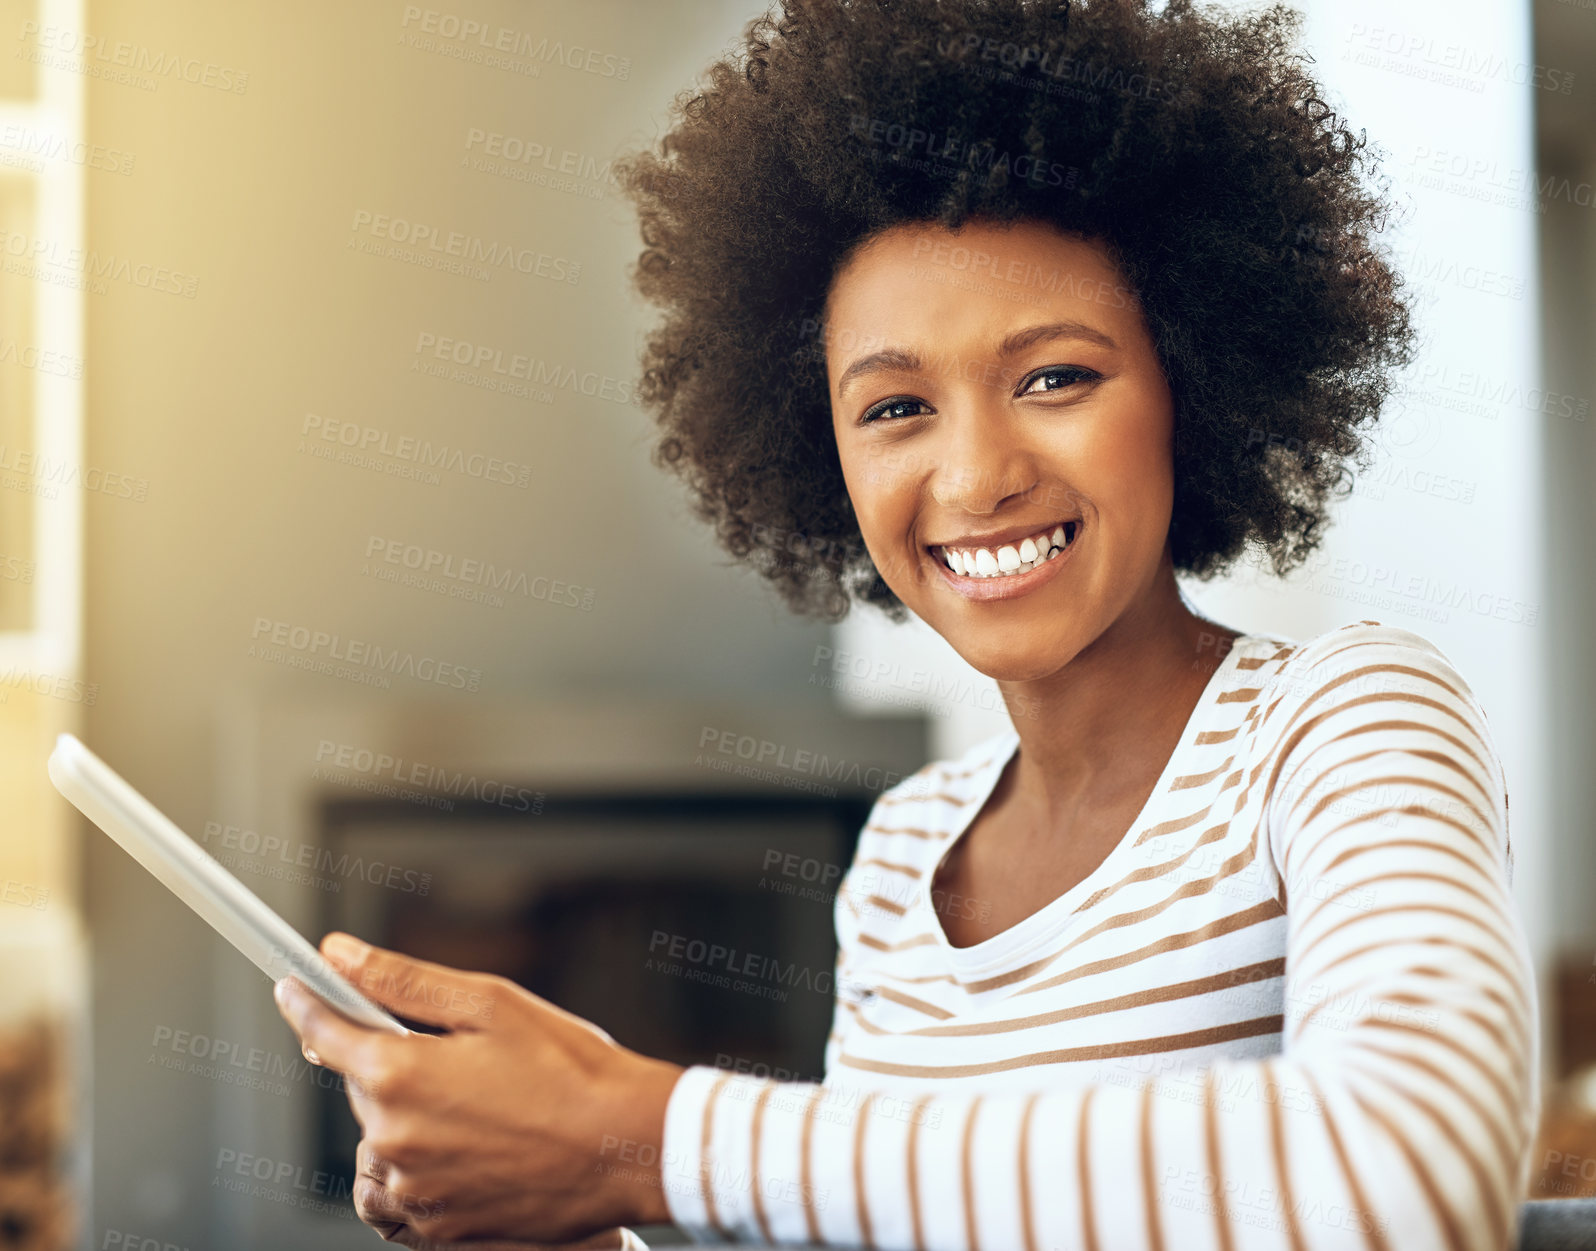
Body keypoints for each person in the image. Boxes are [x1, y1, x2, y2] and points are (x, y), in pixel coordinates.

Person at [273, 0, 1538, 1247]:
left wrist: (643, 1137)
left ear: (1190, 387)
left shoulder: (1348, 719)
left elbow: (1414, 1171)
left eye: (1055, 378)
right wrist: (565, 1213)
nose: (976, 476)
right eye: (893, 409)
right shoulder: (903, 856)